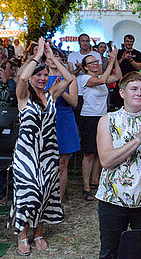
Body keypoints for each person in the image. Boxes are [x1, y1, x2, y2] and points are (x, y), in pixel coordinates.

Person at [11, 38, 73, 255]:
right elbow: (22, 76)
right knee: (29, 193)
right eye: (39, 74)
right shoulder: (23, 95)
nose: (42, 78)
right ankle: (22, 235)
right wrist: (37, 55)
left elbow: (71, 77)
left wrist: (53, 59)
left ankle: (38, 234)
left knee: (46, 193)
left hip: (48, 152)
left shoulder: (51, 94)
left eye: (45, 75)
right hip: (26, 153)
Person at [96, 72, 141, 259]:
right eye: (134, 89)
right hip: (112, 198)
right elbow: (106, 160)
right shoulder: (107, 120)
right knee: (110, 251)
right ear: (122, 93)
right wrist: (137, 139)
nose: (139, 93)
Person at [79, 47, 122, 201]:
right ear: (85, 67)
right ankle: (85, 186)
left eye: (96, 61)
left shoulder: (101, 77)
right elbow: (103, 80)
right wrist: (109, 61)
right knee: (89, 153)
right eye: (91, 62)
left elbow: (118, 76)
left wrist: (115, 59)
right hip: (89, 118)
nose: (95, 64)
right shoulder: (85, 78)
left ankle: (95, 181)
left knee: (99, 152)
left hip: (102, 117)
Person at [45, 48, 81, 203]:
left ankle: (58, 201)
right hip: (47, 120)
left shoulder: (70, 78)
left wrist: (60, 90)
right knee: (47, 161)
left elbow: (74, 102)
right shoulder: (40, 77)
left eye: (56, 57)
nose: (52, 60)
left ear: (61, 59)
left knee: (62, 163)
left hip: (64, 120)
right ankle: (46, 196)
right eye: (49, 58)